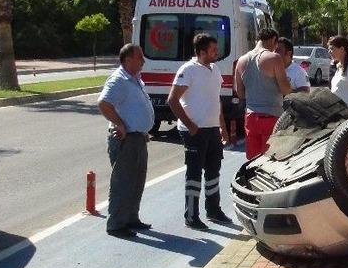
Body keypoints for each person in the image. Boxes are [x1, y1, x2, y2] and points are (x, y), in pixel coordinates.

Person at [168, 33, 233, 230]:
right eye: (213, 50)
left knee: (214, 171)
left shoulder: (215, 69)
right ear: (202, 51)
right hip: (194, 132)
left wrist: (222, 127)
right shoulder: (188, 70)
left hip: (212, 129)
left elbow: (216, 100)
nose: (217, 53)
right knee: (194, 174)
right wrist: (190, 125)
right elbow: (172, 100)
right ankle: (191, 216)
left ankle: (213, 210)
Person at [97, 44, 155, 238]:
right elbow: (104, 103)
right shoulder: (119, 80)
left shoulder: (134, 79)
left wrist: (143, 129)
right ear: (128, 59)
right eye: (140, 57)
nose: (143, 61)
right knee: (123, 182)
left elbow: (133, 108)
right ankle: (116, 224)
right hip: (125, 139)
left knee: (137, 181)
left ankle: (131, 217)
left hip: (138, 137)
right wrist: (119, 124)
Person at [234, 28, 292, 160]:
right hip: (271, 116)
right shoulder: (274, 58)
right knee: (270, 160)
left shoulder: (241, 61)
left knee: (253, 161)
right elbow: (285, 90)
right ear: (273, 40)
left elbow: (240, 93)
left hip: (250, 117)